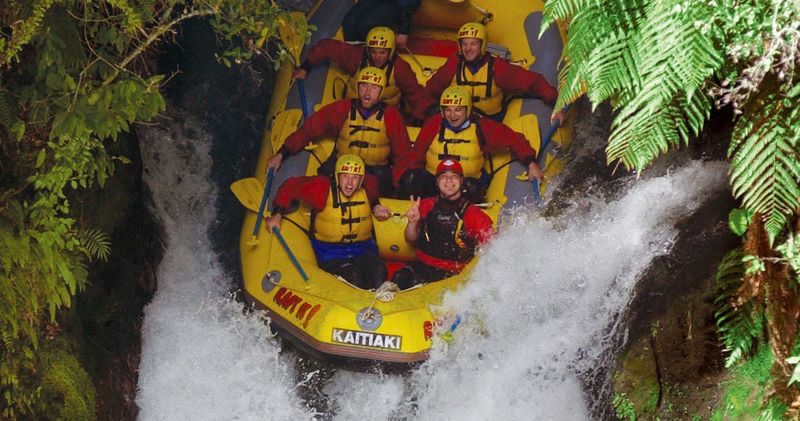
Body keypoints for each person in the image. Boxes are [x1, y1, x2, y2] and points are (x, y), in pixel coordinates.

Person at [268, 67, 412, 195]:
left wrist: (397, 186)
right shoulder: (343, 109)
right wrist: (282, 153)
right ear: (357, 87)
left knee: (375, 185)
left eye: (374, 88)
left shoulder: (391, 116)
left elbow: (403, 154)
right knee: (322, 180)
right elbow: (309, 128)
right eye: (363, 86)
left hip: (375, 171)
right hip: (342, 167)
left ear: (381, 91)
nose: (367, 93)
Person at [266, 154, 391, 290]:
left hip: (363, 250)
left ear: (361, 179)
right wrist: (277, 214)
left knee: (379, 270)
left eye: (355, 178)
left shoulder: (368, 185)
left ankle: (381, 302)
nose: (349, 184)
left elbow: (372, 199)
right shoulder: (321, 187)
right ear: (337, 176)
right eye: (345, 176)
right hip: (331, 253)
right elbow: (290, 186)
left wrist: (376, 206)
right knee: (353, 276)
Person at [398, 85, 543, 201]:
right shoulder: (433, 124)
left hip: (465, 188)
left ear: (467, 110)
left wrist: (531, 163)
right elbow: (416, 155)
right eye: (448, 110)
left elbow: (514, 139)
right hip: (435, 183)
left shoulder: (482, 127)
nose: (452, 115)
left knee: (472, 187)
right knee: (410, 178)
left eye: (458, 110)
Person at [423, 22, 566, 122]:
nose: (468, 48)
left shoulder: (498, 68)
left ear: (483, 45)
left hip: (489, 121)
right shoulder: (453, 65)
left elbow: (534, 81)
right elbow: (432, 89)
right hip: (458, 120)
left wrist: (555, 104)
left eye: (473, 44)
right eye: (464, 44)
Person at [390, 159, 495, 290]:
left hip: (453, 273)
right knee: (399, 277)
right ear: (437, 181)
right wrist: (413, 223)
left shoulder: (473, 214)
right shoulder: (425, 205)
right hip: (423, 265)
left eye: (454, 176)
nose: (449, 181)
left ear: (461, 181)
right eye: (444, 176)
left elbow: (493, 247)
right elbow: (410, 240)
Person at [293, 26, 429, 120]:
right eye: (373, 52)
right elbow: (326, 47)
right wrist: (305, 67)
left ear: (391, 51)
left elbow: (415, 95)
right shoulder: (356, 57)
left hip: (384, 120)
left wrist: (421, 118)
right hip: (352, 114)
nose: (377, 57)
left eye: (382, 53)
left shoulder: (401, 68)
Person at [340, 0, 421, 49]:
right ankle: (353, 57)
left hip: (398, 5)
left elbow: (409, 4)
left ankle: (372, 58)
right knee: (348, 22)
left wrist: (403, 30)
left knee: (363, 27)